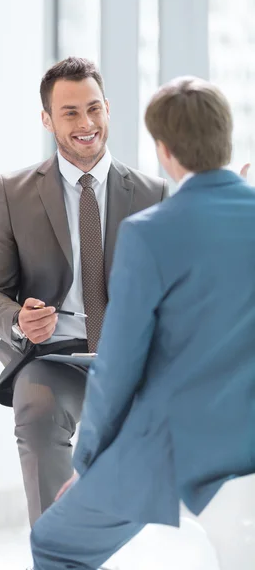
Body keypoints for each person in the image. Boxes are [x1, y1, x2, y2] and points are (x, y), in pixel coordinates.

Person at [30, 76, 255, 570]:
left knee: (54, 543)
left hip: (174, 448)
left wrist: (87, 463)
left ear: (165, 150)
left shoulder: (151, 233)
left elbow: (118, 366)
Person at [0, 57, 168, 528]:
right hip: (52, 356)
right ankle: (59, 552)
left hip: (127, 357)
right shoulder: (13, 192)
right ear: (47, 119)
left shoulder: (152, 194)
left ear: (107, 109)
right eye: (70, 113)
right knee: (36, 415)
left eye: (94, 109)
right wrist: (19, 318)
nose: (86, 124)